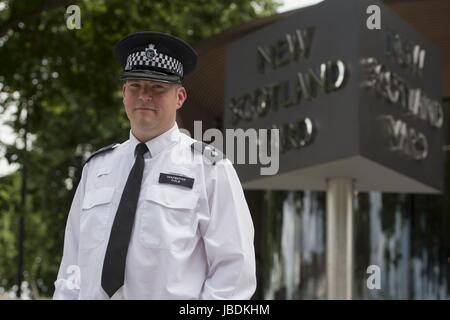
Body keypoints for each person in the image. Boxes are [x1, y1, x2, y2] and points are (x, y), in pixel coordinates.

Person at [53, 31, 256, 300]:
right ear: (124, 93)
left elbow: (234, 271)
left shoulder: (210, 169)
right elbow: (72, 265)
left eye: (158, 86)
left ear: (180, 97)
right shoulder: (96, 169)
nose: (144, 96)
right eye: (135, 86)